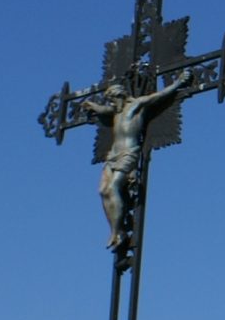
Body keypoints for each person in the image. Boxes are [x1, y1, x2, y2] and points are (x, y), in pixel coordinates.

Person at [81, 69, 197, 248]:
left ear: (120, 96)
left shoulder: (136, 105)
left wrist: (179, 83)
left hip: (129, 153)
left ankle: (116, 233)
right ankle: (115, 230)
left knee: (113, 187)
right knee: (103, 190)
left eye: (112, 99)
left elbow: (160, 96)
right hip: (113, 155)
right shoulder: (116, 112)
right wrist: (91, 106)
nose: (111, 104)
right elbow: (103, 110)